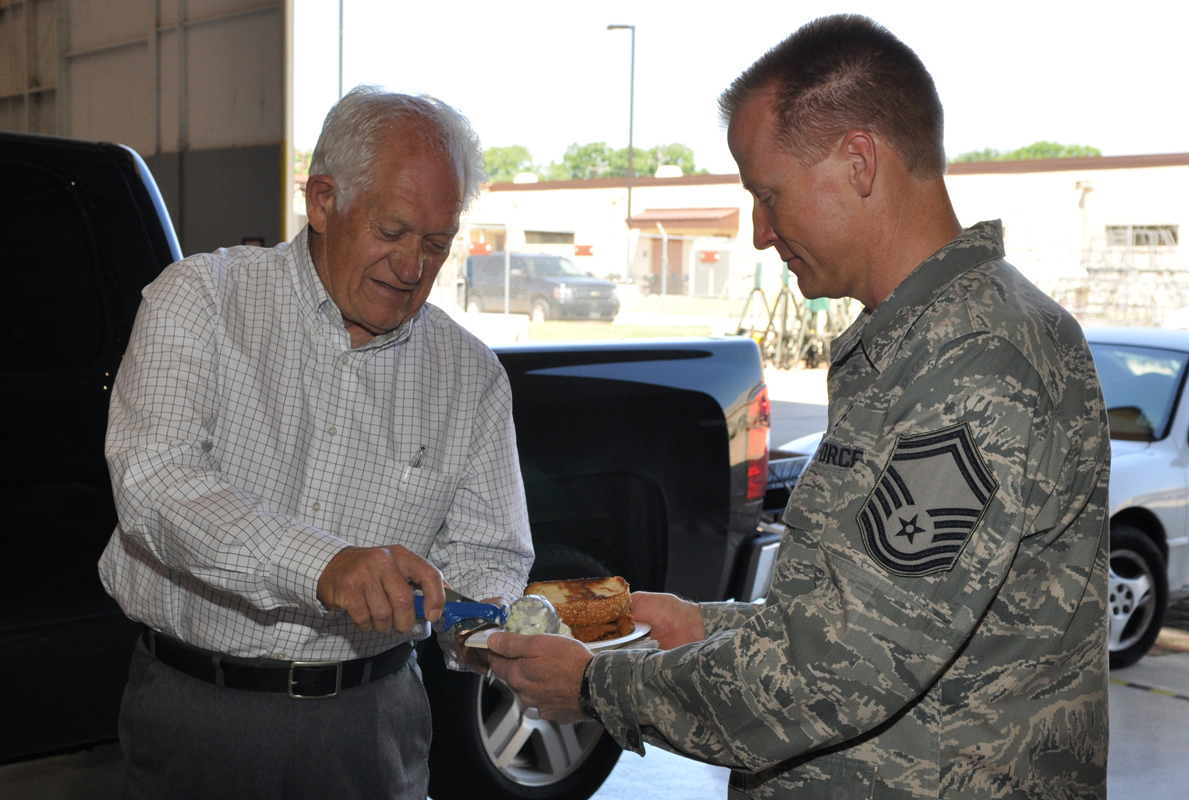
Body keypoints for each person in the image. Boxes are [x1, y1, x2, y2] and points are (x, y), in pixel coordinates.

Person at [488, 14, 1109, 799]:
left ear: (858, 161)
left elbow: (838, 673)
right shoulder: (921, 345)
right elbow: (850, 618)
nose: (758, 232)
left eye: (767, 194)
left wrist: (597, 689)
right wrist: (701, 628)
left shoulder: (978, 360)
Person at [99, 85, 534, 799]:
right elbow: (157, 484)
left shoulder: (469, 375)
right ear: (324, 201)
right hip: (198, 715)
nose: (412, 266)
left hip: (372, 726)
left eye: (436, 243)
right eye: (393, 232)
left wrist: (487, 628)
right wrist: (326, 566)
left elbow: (490, 554)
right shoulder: (201, 301)